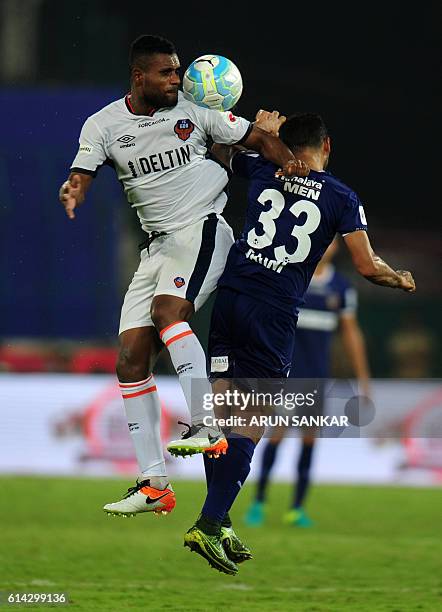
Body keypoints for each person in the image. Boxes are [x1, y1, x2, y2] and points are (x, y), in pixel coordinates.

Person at [58, 35, 308, 519]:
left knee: (168, 312)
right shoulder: (104, 125)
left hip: (201, 229)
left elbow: (260, 139)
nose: (178, 79)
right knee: (130, 360)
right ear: (139, 77)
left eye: (178, 71)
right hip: (157, 248)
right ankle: (153, 483)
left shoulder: (196, 112)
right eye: (168, 73)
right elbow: (84, 167)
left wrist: (291, 164)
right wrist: (75, 187)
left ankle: (205, 421)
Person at [182, 111, 415, 575]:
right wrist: (399, 278)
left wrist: (261, 135)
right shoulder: (342, 197)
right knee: (253, 420)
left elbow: (220, 152)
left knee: (225, 415)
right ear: (326, 146)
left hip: (230, 296)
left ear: (285, 143)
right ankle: (209, 523)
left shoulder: (264, 167)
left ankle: (219, 517)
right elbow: (367, 267)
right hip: (272, 310)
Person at [244, 237, 371, 528]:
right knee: (276, 435)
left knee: (310, 438)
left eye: (331, 242)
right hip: (285, 379)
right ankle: (259, 502)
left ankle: (297, 509)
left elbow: (351, 335)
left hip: (317, 378)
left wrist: (363, 377)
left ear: (336, 248)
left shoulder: (341, 288)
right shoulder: (290, 278)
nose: (325, 247)